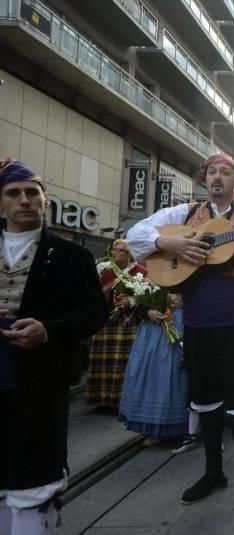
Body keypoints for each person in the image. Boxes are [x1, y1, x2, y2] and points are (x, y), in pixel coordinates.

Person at [126, 152, 234, 518]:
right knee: (204, 399)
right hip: (198, 324)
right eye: (212, 172)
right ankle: (213, 473)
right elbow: (135, 235)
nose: (218, 177)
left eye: (226, 172)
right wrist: (168, 244)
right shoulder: (185, 215)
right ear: (204, 179)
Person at [0, 159, 107, 534]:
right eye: (14, 193)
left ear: (45, 201)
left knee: (32, 486)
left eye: (33, 193)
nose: (24, 200)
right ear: (2, 202)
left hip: (40, 385)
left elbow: (95, 312)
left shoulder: (71, 256)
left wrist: (48, 330)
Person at [118, 293, 188, 446]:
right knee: (155, 376)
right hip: (154, 326)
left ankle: (189, 426)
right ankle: (154, 426)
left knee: (176, 374)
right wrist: (146, 311)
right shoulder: (148, 271)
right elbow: (138, 296)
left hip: (181, 320)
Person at [86, 239, 147, 411]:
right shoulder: (106, 271)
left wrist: (133, 300)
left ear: (129, 254)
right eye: (114, 250)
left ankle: (121, 401)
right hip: (107, 322)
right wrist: (104, 290)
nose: (114, 253)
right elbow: (96, 297)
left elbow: (148, 296)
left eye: (119, 250)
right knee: (102, 362)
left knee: (123, 364)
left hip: (129, 322)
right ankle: (102, 399)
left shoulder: (141, 272)